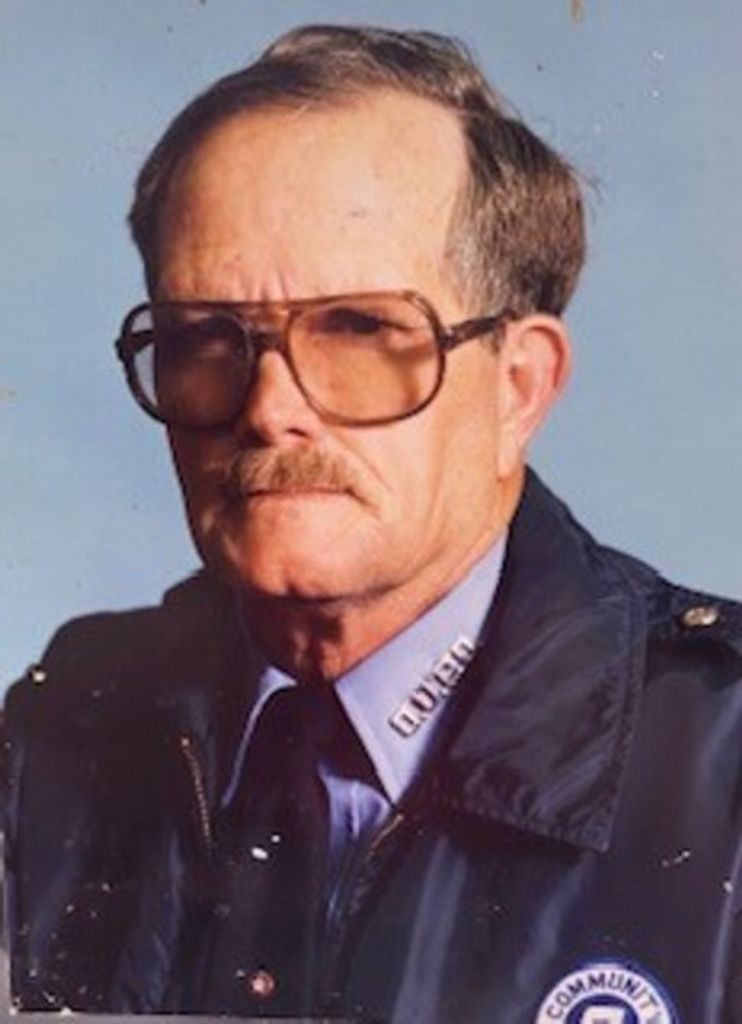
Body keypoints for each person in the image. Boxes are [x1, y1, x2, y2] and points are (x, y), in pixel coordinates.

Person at [3, 23, 742, 1023]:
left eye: (358, 329)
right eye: (206, 337)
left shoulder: (724, 769)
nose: (270, 408)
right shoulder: (53, 735)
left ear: (520, 387)